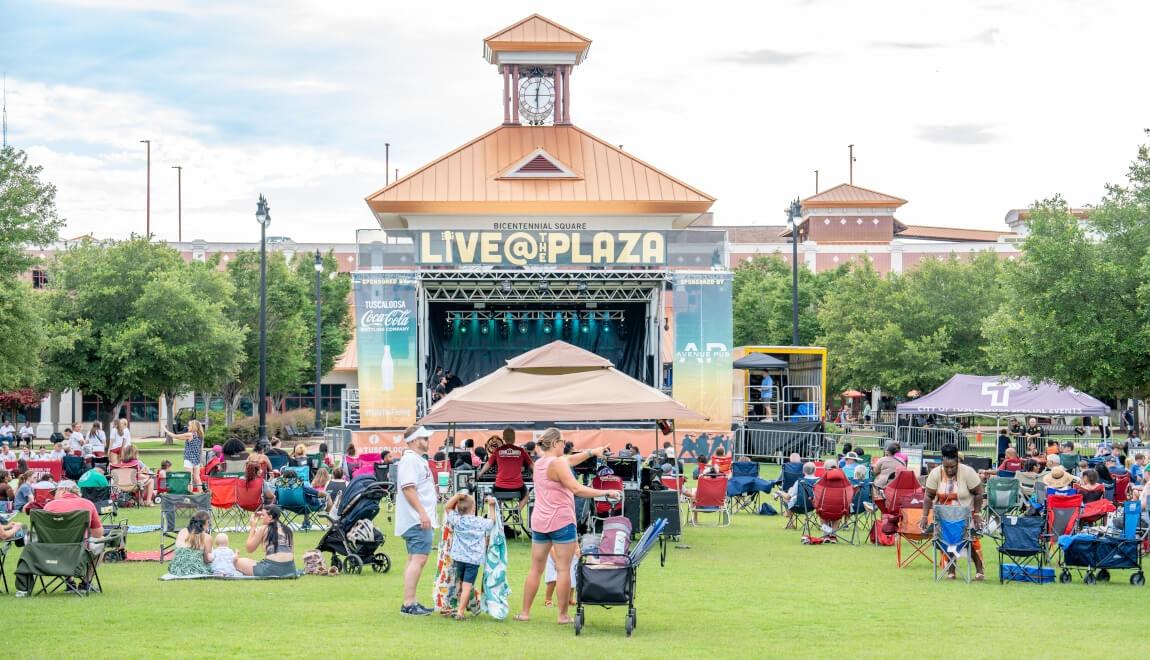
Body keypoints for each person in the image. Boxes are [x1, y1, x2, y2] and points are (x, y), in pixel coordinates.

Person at [518, 429, 620, 624]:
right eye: (563, 441)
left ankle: (524, 612)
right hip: (561, 522)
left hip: (540, 521)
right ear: (556, 443)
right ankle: (563, 616)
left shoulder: (539, 463)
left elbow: (570, 460)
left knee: (535, 569)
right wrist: (606, 492)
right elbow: (576, 488)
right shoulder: (557, 464)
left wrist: (592, 452)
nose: (564, 445)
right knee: (563, 569)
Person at [921, 443, 985, 580]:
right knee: (948, 540)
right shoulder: (935, 473)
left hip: (965, 515)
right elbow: (928, 496)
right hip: (943, 515)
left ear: (957, 461)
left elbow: (979, 493)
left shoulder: (968, 472)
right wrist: (924, 516)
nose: (949, 470)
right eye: (946, 467)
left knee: (967, 541)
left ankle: (979, 566)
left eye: (952, 467)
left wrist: (978, 514)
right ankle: (951, 569)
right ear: (942, 463)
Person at [396, 426, 438, 616]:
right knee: (419, 559)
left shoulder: (415, 460)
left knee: (415, 558)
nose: (428, 441)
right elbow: (408, 488)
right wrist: (422, 513)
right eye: (424, 438)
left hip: (417, 517)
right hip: (417, 519)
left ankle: (410, 600)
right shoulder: (411, 460)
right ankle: (409, 602)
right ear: (414, 440)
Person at [443, 492, 498, 620]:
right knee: (467, 586)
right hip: (473, 560)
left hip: (458, 558)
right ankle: (461, 612)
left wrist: (457, 496)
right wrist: (491, 506)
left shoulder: (457, 520)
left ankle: (458, 606)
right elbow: (492, 521)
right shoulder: (479, 522)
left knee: (460, 584)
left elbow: (447, 507)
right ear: (473, 508)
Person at [478, 428, 533, 513]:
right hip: (518, 487)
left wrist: (480, 474)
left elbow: (488, 464)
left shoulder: (498, 450)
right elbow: (532, 465)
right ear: (514, 438)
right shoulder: (521, 451)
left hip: (499, 487)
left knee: (494, 496)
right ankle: (517, 510)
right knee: (527, 495)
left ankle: (499, 513)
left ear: (503, 438)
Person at [235, 504, 297, 576]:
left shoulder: (264, 528)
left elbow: (249, 549)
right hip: (290, 569)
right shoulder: (288, 529)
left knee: (237, 561)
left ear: (270, 517)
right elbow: (291, 551)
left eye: (263, 515)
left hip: (271, 569)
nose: (261, 517)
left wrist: (253, 527)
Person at [162, 420, 205, 492]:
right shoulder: (200, 435)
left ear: (193, 426)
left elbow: (175, 436)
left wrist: (165, 430)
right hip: (197, 459)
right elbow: (201, 449)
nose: (188, 427)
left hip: (189, 458)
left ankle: (189, 494)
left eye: (189, 425)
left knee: (188, 478)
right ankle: (201, 494)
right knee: (197, 477)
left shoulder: (190, 434)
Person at [169, 510, 213, 576]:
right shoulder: (207, 537)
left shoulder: (182, 531)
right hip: (195, 569)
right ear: (207, 522)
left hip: (176, 568)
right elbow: (206, 560)